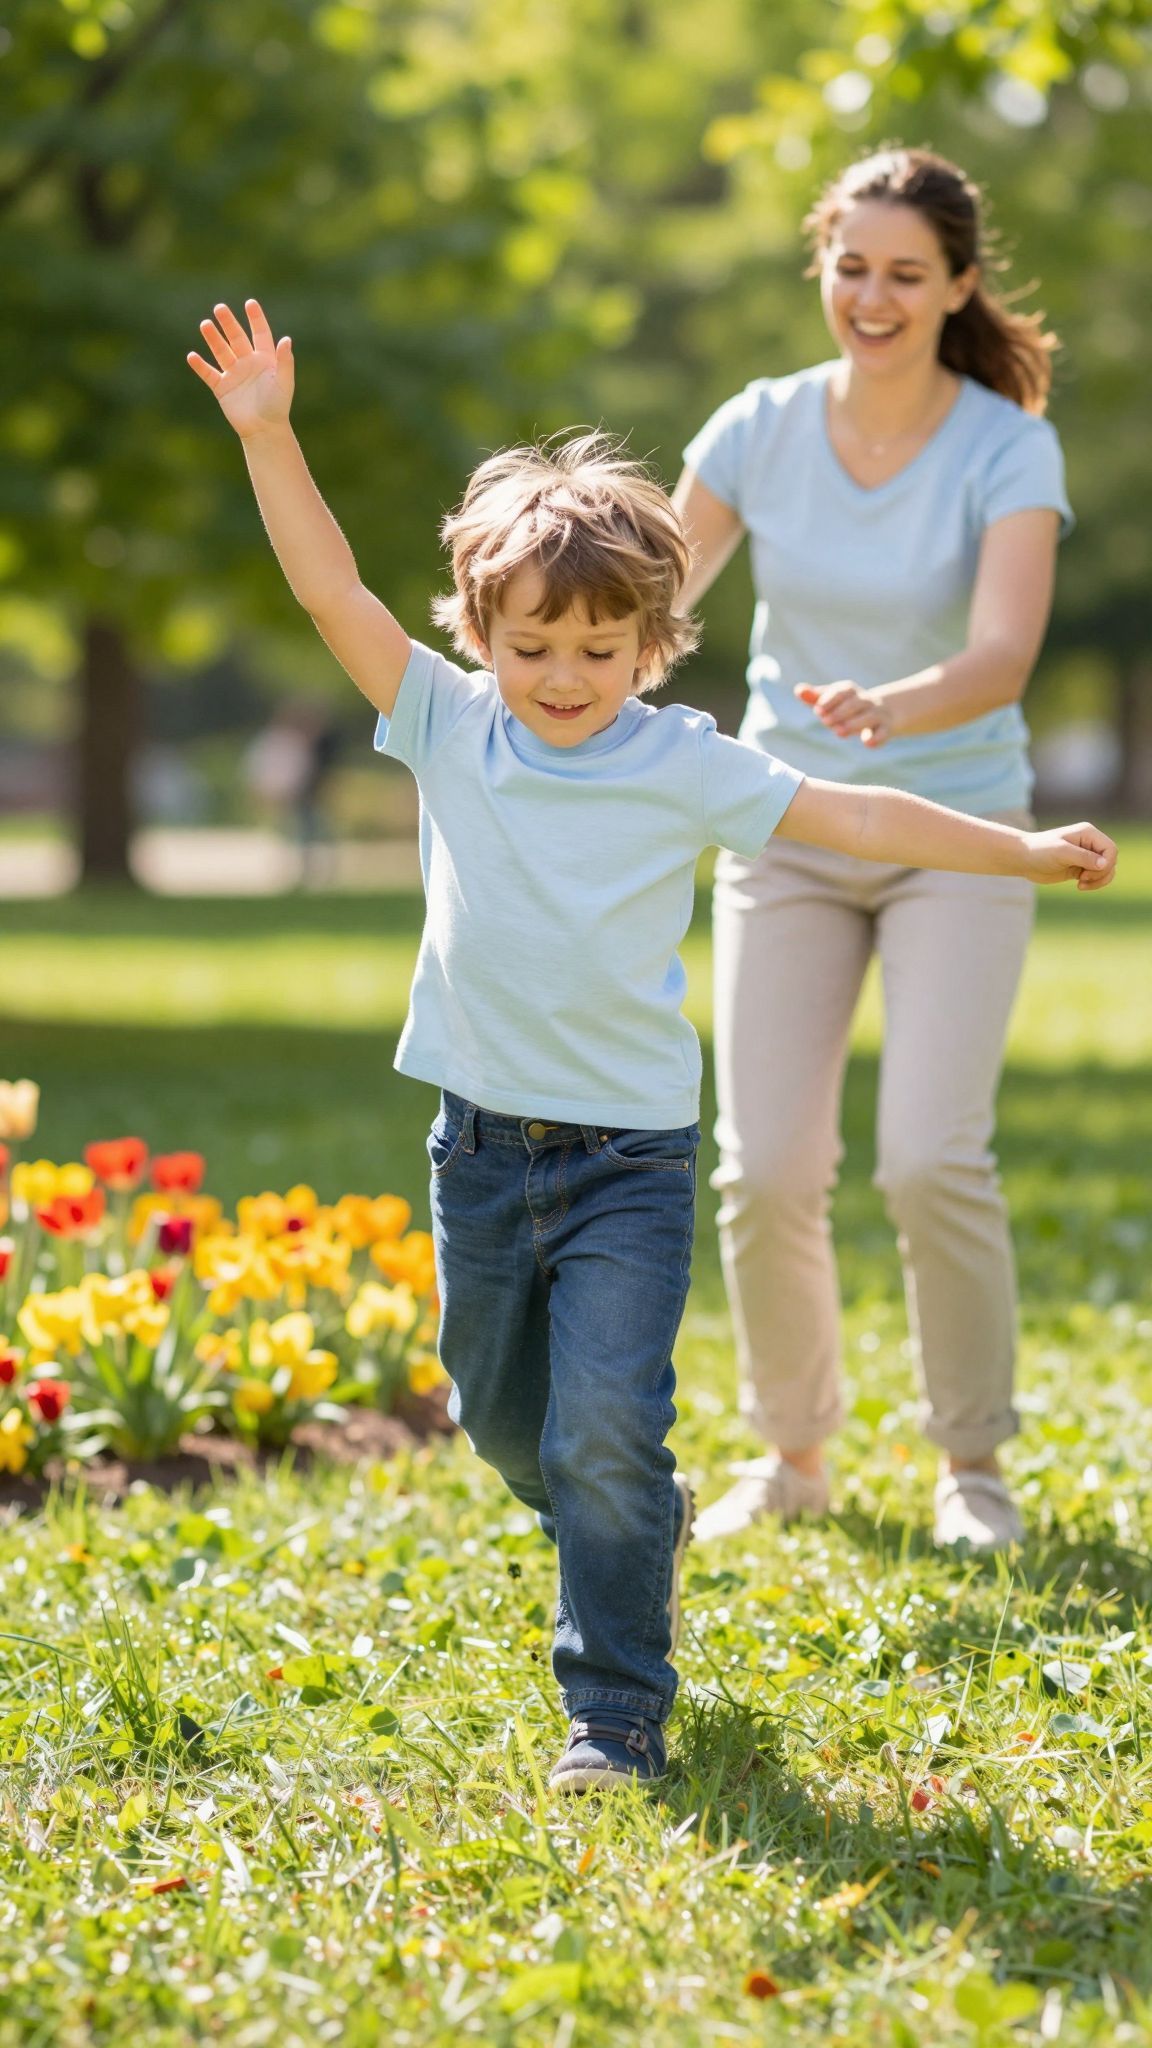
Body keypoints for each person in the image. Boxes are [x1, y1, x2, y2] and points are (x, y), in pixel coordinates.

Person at [188, 297, 1114, 1787]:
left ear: (653, 644)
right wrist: (270, 435)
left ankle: (613, 1711)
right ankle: (628, 1525)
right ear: (481, 633)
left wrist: (1017, 850)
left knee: (607, 1433)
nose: (566, 674)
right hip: (480, 1152)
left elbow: (860, 816)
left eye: (602, 647)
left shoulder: (683, 760)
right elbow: (328, 594)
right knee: (509, 1429)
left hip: (628, 1158)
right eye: (537, 643)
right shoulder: (446, 723)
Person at [673, 147, 1080, 1552]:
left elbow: (1005, 653)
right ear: (821, 268)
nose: (875, 295)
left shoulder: (1005, 444)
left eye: (908, 273)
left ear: (959, 284)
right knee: (765, 1164)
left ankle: (972, 1466)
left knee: (927, 1158)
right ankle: (793, 1451)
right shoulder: (757, 428)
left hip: (956, 834)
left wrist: (886, 708)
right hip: (784, 828)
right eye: (853, 266)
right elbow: (651, 595)